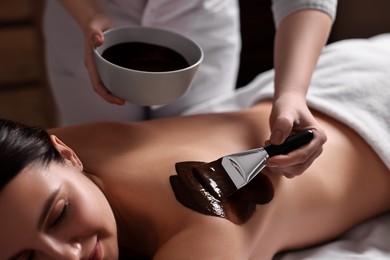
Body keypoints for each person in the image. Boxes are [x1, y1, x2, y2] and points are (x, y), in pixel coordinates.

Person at [2, 33, 389, 259]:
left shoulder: (203, 232)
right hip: (326, 80)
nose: (65, 255)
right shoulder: (34, 159)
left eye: (58, 216)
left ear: (67, 153)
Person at [43, 0, 336, 177]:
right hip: (84, 26)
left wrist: (292, 93)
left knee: (191, 157)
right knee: (93, 163)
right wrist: (86, 13)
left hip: (202, 27)